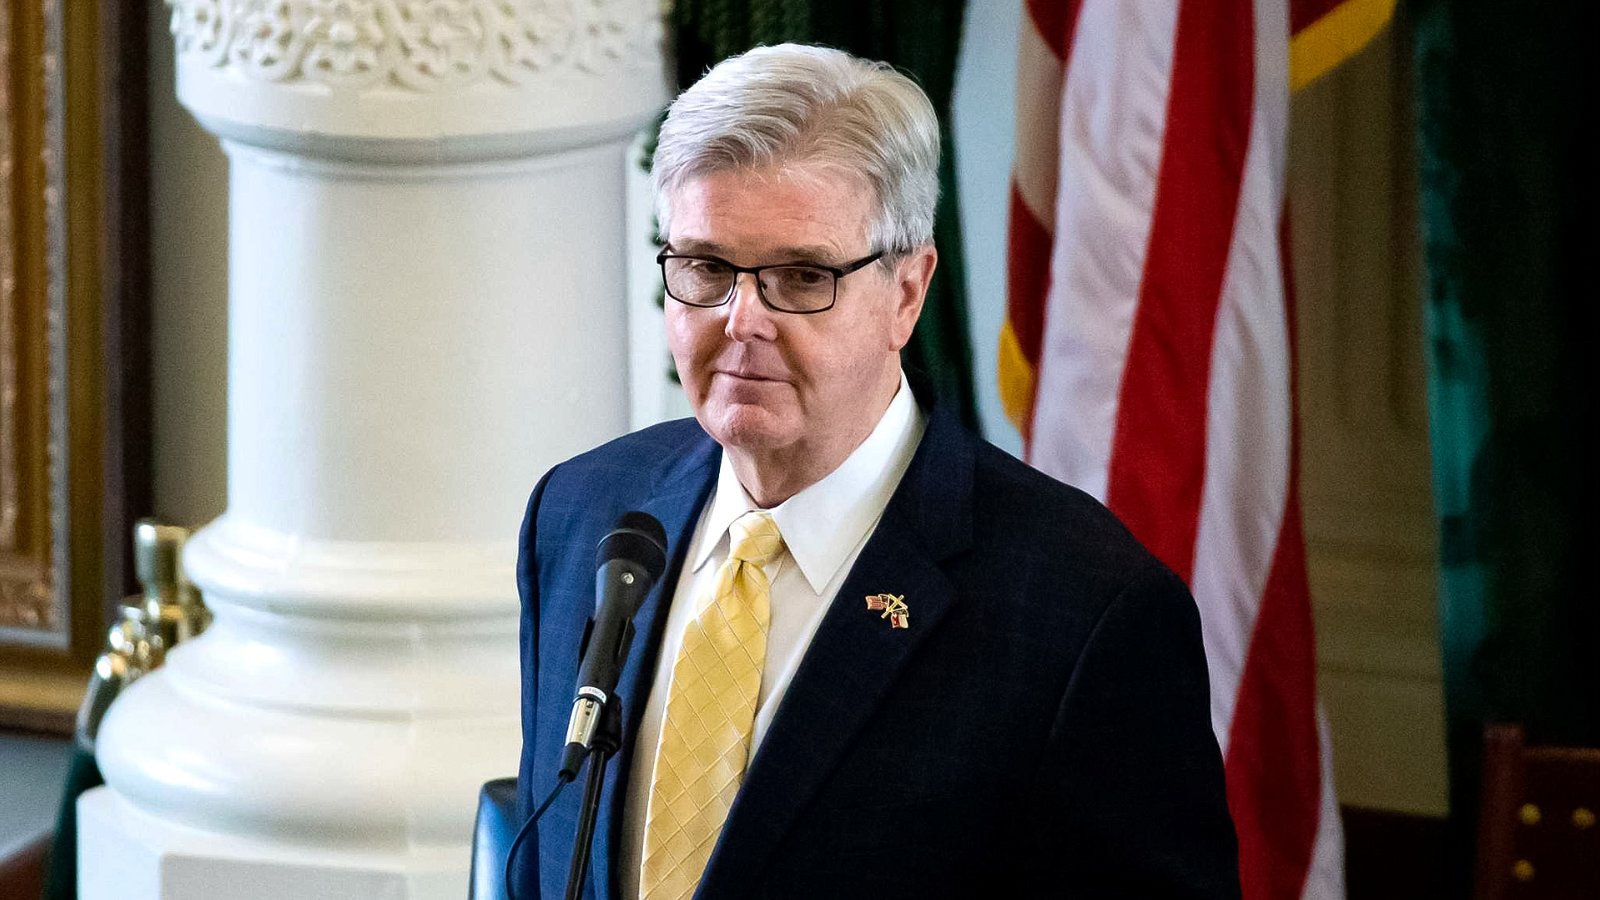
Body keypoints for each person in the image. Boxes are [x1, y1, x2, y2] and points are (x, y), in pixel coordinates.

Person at [514, 43, 1240, 899]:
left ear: (907, 292)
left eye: (801, 276)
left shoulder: (1085, 613)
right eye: (707, 268)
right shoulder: (582, 514)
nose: (742, 320)